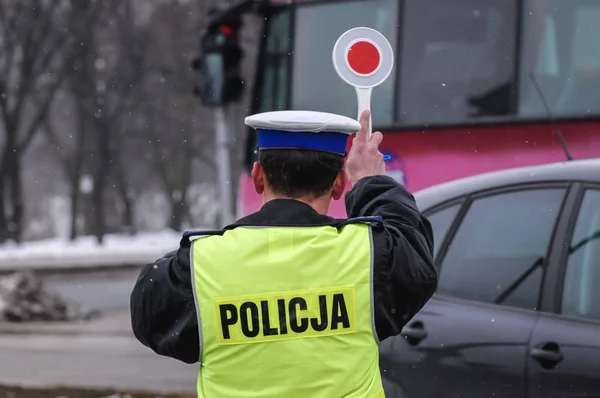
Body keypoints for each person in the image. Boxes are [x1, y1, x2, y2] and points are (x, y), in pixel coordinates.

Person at [130, 109, 437, 398]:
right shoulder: (369, 257)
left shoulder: (199, 266)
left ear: (258, 177)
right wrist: (372, 184)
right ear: (339, 184)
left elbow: (148, 312)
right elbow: (414, 248)